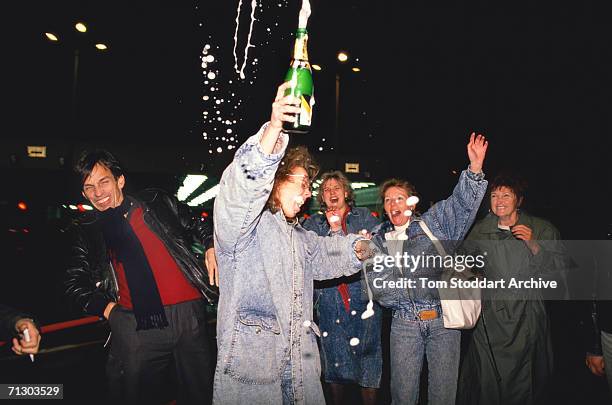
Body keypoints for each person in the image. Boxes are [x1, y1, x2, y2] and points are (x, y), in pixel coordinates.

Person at [212, 82, 372, 405]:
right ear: (276, 178)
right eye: (301, 184)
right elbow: (239, 191)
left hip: (299, 370)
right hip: (252, 372)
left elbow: (326, 253)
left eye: (308, 187)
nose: (306, 195)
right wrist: (272, 130)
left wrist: (356, 248)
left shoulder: (298, 236)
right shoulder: (243, 228)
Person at [65, 150, 217, 404]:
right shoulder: (88, 232)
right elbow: (73, 284)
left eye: (104, 182)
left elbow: (199, 221)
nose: (98, 193)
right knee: (135, 396)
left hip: (188, 317)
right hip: (136, 324)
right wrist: (110, 310)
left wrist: (211, 244)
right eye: (89, 187)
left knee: (200, 394)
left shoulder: (157, 203)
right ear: (83, 194)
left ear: (120, 180)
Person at [365, 133, 489, 405]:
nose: (393, 204)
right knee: (403, 395)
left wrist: (475, 169)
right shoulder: (377, 239)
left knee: (443, 395)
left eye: (399, 198)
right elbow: (377, 285)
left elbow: (460, 206)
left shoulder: (433, 225)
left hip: (443, 322)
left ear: (412, 202)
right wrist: (403, 298)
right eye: (387, 200)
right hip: (403, 325)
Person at [457, 173, 566, 405]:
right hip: (490, 318)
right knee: (487, 382)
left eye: (506, 195)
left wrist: (533, 244)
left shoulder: (541, 228)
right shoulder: (479, 231)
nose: (499, 201)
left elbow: (559, 275)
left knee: (524, 383)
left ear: (519, 199)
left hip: (526, 316)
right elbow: (464, 265)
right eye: (495, 195)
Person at [302, 171, 382, 405]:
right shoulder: (312, 224)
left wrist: (364, 246)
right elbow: (308, 258)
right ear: (321, 198)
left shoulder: (364, 217)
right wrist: (331, 229)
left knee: (369, 363)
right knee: (334, 367)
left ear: (346, 192)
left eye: (336, 188)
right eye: (326, 190)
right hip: (328, 303)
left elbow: (376, 252)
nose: (332, 192)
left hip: (365, 301)